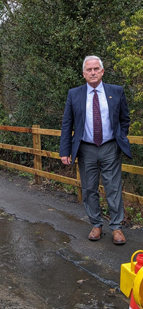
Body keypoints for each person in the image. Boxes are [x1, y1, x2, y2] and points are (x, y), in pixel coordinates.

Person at [59, 55, 132, 245]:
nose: (93, 72)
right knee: (89, 188)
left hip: (110, 147)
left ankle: (116, 227)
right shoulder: (74, 94)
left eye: (96, 69)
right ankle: (96, 225)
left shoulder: (116, 91)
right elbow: (67, 124)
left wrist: (120, 137)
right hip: (86, 149)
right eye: (89, 70)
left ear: (102, 71)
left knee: (113, 188)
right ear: (84, 73)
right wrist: (64, 151)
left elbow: (125, 118)